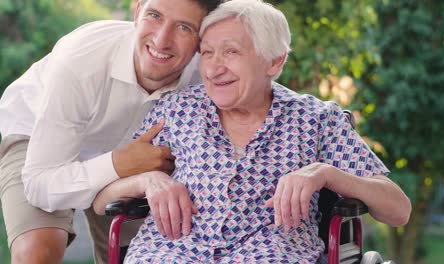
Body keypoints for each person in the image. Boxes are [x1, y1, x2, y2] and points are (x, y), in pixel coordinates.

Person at [93, 0, 412, 263]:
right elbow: (101, 201)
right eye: (207, 52)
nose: (214, 68)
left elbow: (398, 210)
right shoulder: (175, 111)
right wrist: (148, 180)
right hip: (169, 253)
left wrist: (325, 174)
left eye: (231, 52)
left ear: (274, 62)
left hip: (270, 255)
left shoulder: (316, 119)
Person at [0, 0, 224, 263]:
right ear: (138, 9)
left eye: (184, 27)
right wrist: (119, 163)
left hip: (141, 160)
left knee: (149, 252)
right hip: (38, 135)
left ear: (204, 36)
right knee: (36, 253)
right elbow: (39, 184)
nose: (162, 40)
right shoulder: (82, 57)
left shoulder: (210, 74)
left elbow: (266, 93)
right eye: (154, 15)